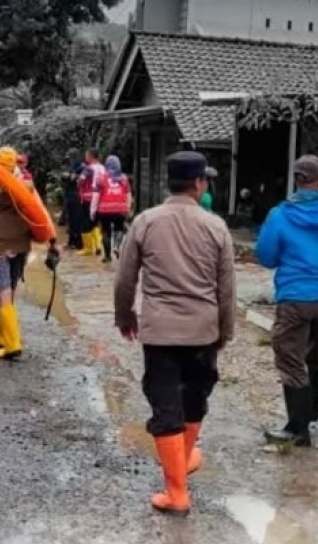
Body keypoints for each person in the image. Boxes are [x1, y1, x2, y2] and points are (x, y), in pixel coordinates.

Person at [114, 151, 235, 516]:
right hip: (202, 332)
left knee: (166, 405)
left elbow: (125, 278)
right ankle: (180, 470)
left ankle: (177, 489)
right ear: (199, 183)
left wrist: (125, 316)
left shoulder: (146, 222)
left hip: (160, 333)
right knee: (194, 402)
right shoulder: (215, 226)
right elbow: (226, 288)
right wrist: (224, 331)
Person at [256, 155, 318, 451]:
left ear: (297, 180)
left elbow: (266, 256)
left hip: (295, 295)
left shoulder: (280, 215)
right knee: (317, 352)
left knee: (290, 356)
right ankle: (309, 415)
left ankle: (298, 428)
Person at [0, 146, 59, 360]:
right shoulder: (27, 189)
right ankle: (2, 335)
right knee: (11, 289)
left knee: (2, 293)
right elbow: (40, 214)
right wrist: (52, 241)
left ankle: (13, 344)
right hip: (20, 246)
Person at [93, 155, 133, 264]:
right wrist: (128, 209)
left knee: (106, 232)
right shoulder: (124, 178)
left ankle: (107, 257)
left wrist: (93, 211)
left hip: (104, 210)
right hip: (120, 209)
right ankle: (116, 246)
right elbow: (128, 195)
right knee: (119, 229)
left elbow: (96, 196)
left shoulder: (101, 178)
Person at [79, 148, 106, 256]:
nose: (85, 157)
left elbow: (81, 179)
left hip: (87, 198)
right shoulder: (103, 168)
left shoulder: (89, 168)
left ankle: (88, 249)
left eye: (86, 155)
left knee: (85, 223)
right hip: (100, 198)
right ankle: (98, 246)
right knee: (95, 222)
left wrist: (78, 183)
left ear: (91, 156)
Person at [62, 149, 86, 250]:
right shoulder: (71, 167)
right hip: (69, 196)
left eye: (71, 157)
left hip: (77, 196)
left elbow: (80, 179)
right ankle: (71, 241)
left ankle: (79, 242)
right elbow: (66, 178)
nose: (70, 160)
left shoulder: (82, 167)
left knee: (77, 220)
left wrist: (71, 176)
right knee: (70, 220)